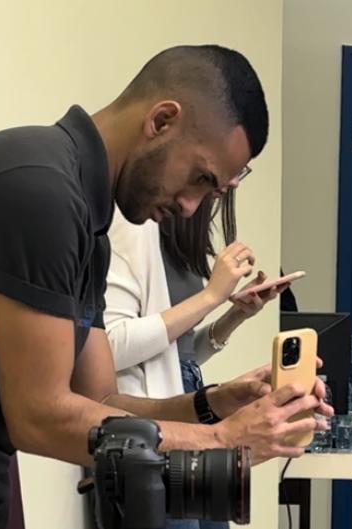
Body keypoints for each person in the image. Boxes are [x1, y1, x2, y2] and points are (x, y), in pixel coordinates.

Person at [0, 44, 330, 529]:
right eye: (201, 178)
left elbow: (100, 402)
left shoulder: (86, 223)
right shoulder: (39, 191)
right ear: (162, 120)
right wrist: (222, 440)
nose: (191, 207)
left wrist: (214, 405)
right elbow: (39, 416)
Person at [105, 188, 281, 529]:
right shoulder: (133, 228)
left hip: (193, 405)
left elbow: (177, 354)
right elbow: (112, 346)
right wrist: (211, 296)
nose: (232, 183)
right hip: (150, 419)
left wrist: (234, 316)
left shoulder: (183, 243)